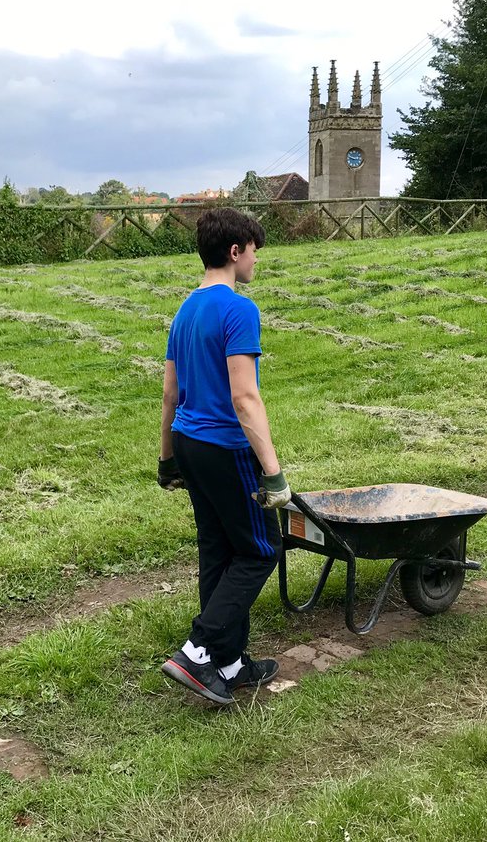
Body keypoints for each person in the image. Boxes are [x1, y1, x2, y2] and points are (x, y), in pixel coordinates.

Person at [157, 207, 292, 705]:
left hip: (189, 442)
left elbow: (170, 393)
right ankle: (196, 652)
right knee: (260, 551)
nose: (256, 260)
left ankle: (230, 662)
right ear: (235, 252)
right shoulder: (239, 310)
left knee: (218, 549)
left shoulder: (185, 310)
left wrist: (167, 457)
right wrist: (273, 473)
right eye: (254, 250)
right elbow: (244, 398)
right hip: (223, 446)